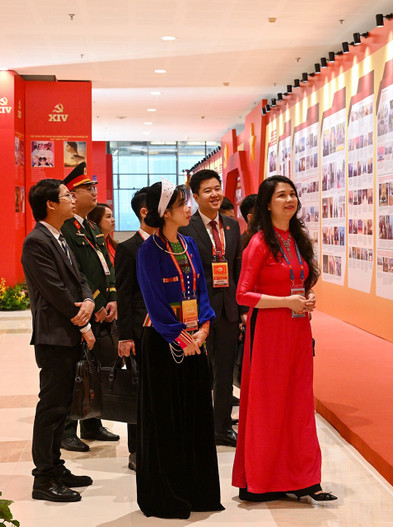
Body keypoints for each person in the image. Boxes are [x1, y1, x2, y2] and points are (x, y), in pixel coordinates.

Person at [233, 175, 337, 503]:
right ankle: (263, 480)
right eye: (281, 195)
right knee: (268, 405)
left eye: (292, 194)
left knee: (300, 404)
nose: (289, 200)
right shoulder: (259, 242)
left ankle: (305, 479)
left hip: (297, 329)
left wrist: (305, 299)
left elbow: (299, 281)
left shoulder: (297, 239)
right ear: (267, 203)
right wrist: (284, 303)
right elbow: (243, 294)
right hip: (268, 334)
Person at [136, 180, 223, 519]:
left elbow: (201, 290)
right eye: (183, 203)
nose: (190, 208)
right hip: (163, 344)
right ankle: (167, 494)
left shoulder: (188, 244)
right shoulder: (148, 251)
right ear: (166, 212)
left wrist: (203, 328)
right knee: (166, 420)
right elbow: (154, 302)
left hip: (194, 341)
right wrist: (180, 338)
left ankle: (198, 491)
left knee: (195, 415)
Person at [21, 179, 96, 502]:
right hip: (54, 337)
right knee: (51, 408)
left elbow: (78, 279)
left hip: (69, 331)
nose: (72, 200)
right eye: (67, 196)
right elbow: (55, 292)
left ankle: (56, 465)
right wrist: (83, 323)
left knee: (63, 406)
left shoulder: (60, 236)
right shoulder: (36, 241)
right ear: (50, 204)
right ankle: (43, 478)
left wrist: (89, 301)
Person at [179, 170, 243, 447]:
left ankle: (221, 426)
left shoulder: (232, 226)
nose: (215, 194)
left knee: (225, 370)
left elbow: (237, 270)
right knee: (197, 372)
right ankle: (196, 425)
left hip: (227, 310)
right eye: (208, 190)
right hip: (198, 313)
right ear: (195, 196)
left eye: (217, 188)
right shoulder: (185, 227)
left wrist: (240, 308)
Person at [60, 163, 120, 451]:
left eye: (94, 188)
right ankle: (68, 429)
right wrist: (94, 302)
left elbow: (105, 266)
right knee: (76, 369)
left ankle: (93, 422)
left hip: (101, 308)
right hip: (81, 310)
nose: (94, 192)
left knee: (95, 367)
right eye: (87, 189)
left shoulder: (91, 227)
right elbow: (76, 273)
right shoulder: (66, 229)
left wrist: (111, 297)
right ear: (72, 195)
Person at [113, 187, 152, 472]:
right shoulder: (128, 249)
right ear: (145, 211)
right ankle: (136, 450)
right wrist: (125, 336)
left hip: (167, 331)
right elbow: (123, 296)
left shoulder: (173, 244)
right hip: (139, 331)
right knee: (138, 392)